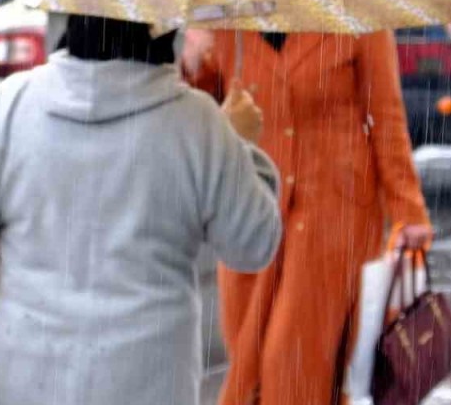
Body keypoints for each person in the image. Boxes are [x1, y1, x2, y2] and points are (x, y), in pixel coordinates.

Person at [0, 15, 281, 405]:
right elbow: (251, 246)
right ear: (165, 32)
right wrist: (242, 147)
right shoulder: (196, 122)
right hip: (149, 374)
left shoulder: (13, 103)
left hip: (23, 366)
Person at [182, 29, 434, 405]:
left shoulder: (355, 10)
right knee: (248, 363)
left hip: (333, 211)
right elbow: (204, 114)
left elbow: (384, 114)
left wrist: (408, 208)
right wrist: (191, 64)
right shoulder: (227, 15)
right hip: (251, 206)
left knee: (294, 360)